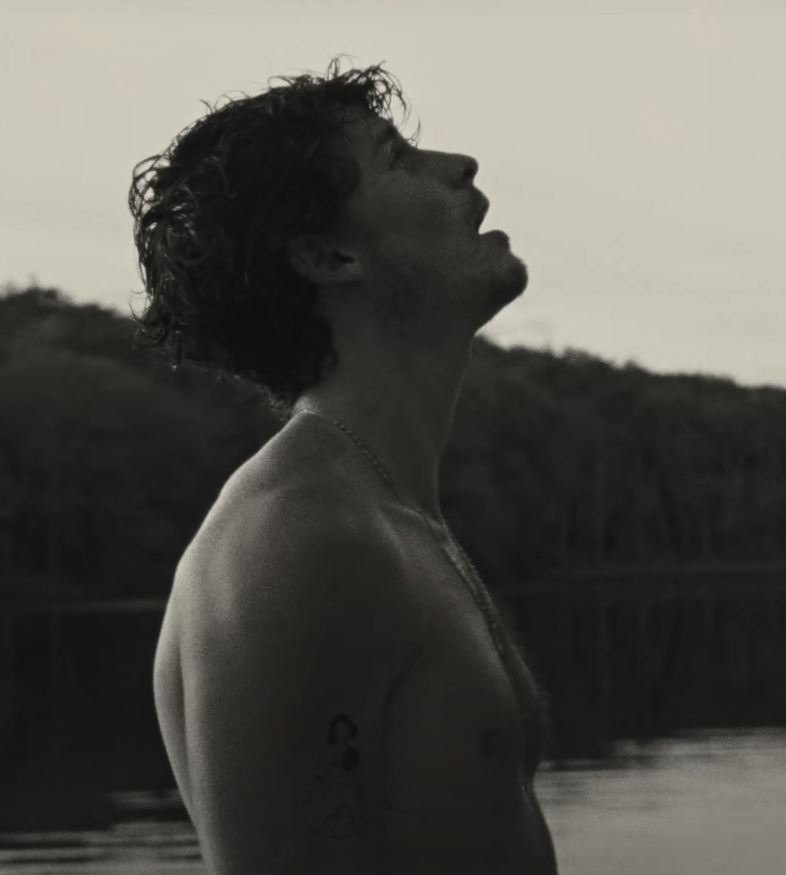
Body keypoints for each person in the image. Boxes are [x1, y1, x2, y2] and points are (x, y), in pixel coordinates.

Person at [130, 55, 559, 875]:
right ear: (329, 257)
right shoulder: (297, 541)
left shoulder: (383, 514)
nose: (459, 165)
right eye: (396, 157)